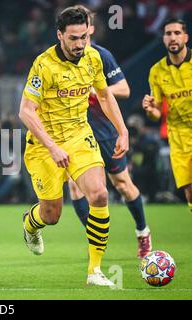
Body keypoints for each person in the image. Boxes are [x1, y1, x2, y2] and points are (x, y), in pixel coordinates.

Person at [19, 7, 129, 286]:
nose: (80, 44)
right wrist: (53, 147)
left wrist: (122, 130)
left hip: (79, 135)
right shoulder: (43, 65)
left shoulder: (93, 57)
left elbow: (105, 95)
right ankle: (30, 224)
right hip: (44, 144)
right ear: (60, 36)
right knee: (51, 214)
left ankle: (95, 271)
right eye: (74, 38)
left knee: (100, 195)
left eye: (84, 37)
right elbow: (26, 112)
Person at [68, 5, 152, 259]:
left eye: (86, 28)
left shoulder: (101, 56)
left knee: (123, 184)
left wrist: (97, 91)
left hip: (104, 132)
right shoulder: (60, 60)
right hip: (76, 135)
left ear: (91, 29)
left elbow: (125, 89)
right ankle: (96, 241)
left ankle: (143, 233)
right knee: (75, 187)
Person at [142, 18, 192, 213]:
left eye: (177, 33)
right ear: (163, 39)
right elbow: (156, 115)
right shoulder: (156, 71)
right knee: (189, 192)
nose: (173, 38)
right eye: (168, 34)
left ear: (186, 37)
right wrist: (150, 109)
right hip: (177, 138)